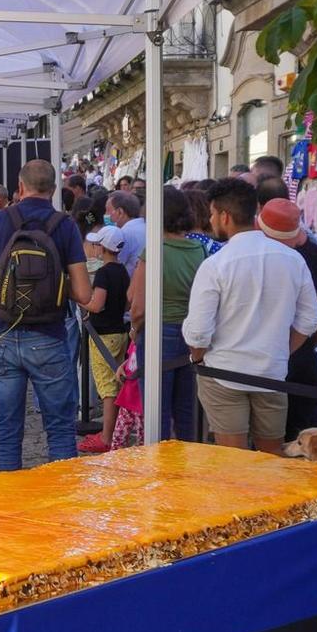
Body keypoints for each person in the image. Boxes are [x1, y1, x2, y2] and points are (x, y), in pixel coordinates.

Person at [0, 160, 92, 469]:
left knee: (7, 433)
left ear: (19, 188)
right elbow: (84, 294)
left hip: (2, 335)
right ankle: (60, 506)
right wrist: (51, 286)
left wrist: (6, 292)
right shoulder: (65, 225)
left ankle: (8, 512)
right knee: (60, 432)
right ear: (55, 189)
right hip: (49, 337)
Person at [181, 178, 317, 456]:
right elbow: (310, 319)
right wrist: (282, 350)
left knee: (235, 462)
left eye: (212, 214)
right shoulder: (293, 259)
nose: (210, 220)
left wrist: (197, 357)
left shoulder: (216, 264)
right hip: (271, 371)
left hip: (223, 372)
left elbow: (198, 331)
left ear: (225, 216)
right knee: (271, 458)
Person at [260, 198, 317, 443]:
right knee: (304, 436)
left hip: (267, 355)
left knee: (273, 441)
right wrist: (303, 343)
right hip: (302, 357)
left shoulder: (263, 259)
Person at [127, 187, 206, 442]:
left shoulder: (154, 250)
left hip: (158, 332)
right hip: (190, 333)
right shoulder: (198, 249)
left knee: (156, 410)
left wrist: (135, 330)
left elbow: (137, 304)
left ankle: (157, 467)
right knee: (187, 410)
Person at [79, 223, 131, 450]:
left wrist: (79, 298)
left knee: (107, 388)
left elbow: (97, 305)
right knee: (116, 383)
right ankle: (113, 432)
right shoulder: (122, 271)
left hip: (102, 335)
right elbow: (128, 301)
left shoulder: (103, 273)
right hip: (119, 331)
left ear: (103, 248)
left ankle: (107, 437)